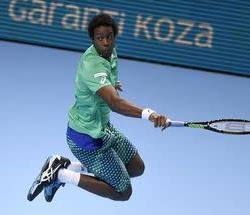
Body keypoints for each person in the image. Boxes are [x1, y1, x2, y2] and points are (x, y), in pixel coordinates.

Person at [27, 13, 169, 203]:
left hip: (103, 128)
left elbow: (105, 85)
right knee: (123, 191)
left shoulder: (110, 54)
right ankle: (60, 175)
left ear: (114, 36)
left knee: (136, 168)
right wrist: (149, 114)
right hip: (87, 138)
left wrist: (111, 84)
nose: (105, 42)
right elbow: (115, 103)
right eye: (99, 38)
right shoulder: (93, 64)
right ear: (93, 40)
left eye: (109, 37)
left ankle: (65, 167)